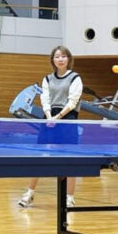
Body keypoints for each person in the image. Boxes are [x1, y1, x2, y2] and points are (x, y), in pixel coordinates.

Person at [17, 45, 83, 209]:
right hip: (49, 118)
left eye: (63, 56)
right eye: (57, 56)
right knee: (40, 156)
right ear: (53, 60)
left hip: (68, 118)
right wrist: (49, 117)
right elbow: (45, 100)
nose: (60, 59)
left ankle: (69, 198)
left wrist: (58, 118)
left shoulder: (75, 78)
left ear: (68, 59)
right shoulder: (47, 79)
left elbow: (72, 102)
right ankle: (29, 194)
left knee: (70, 159)